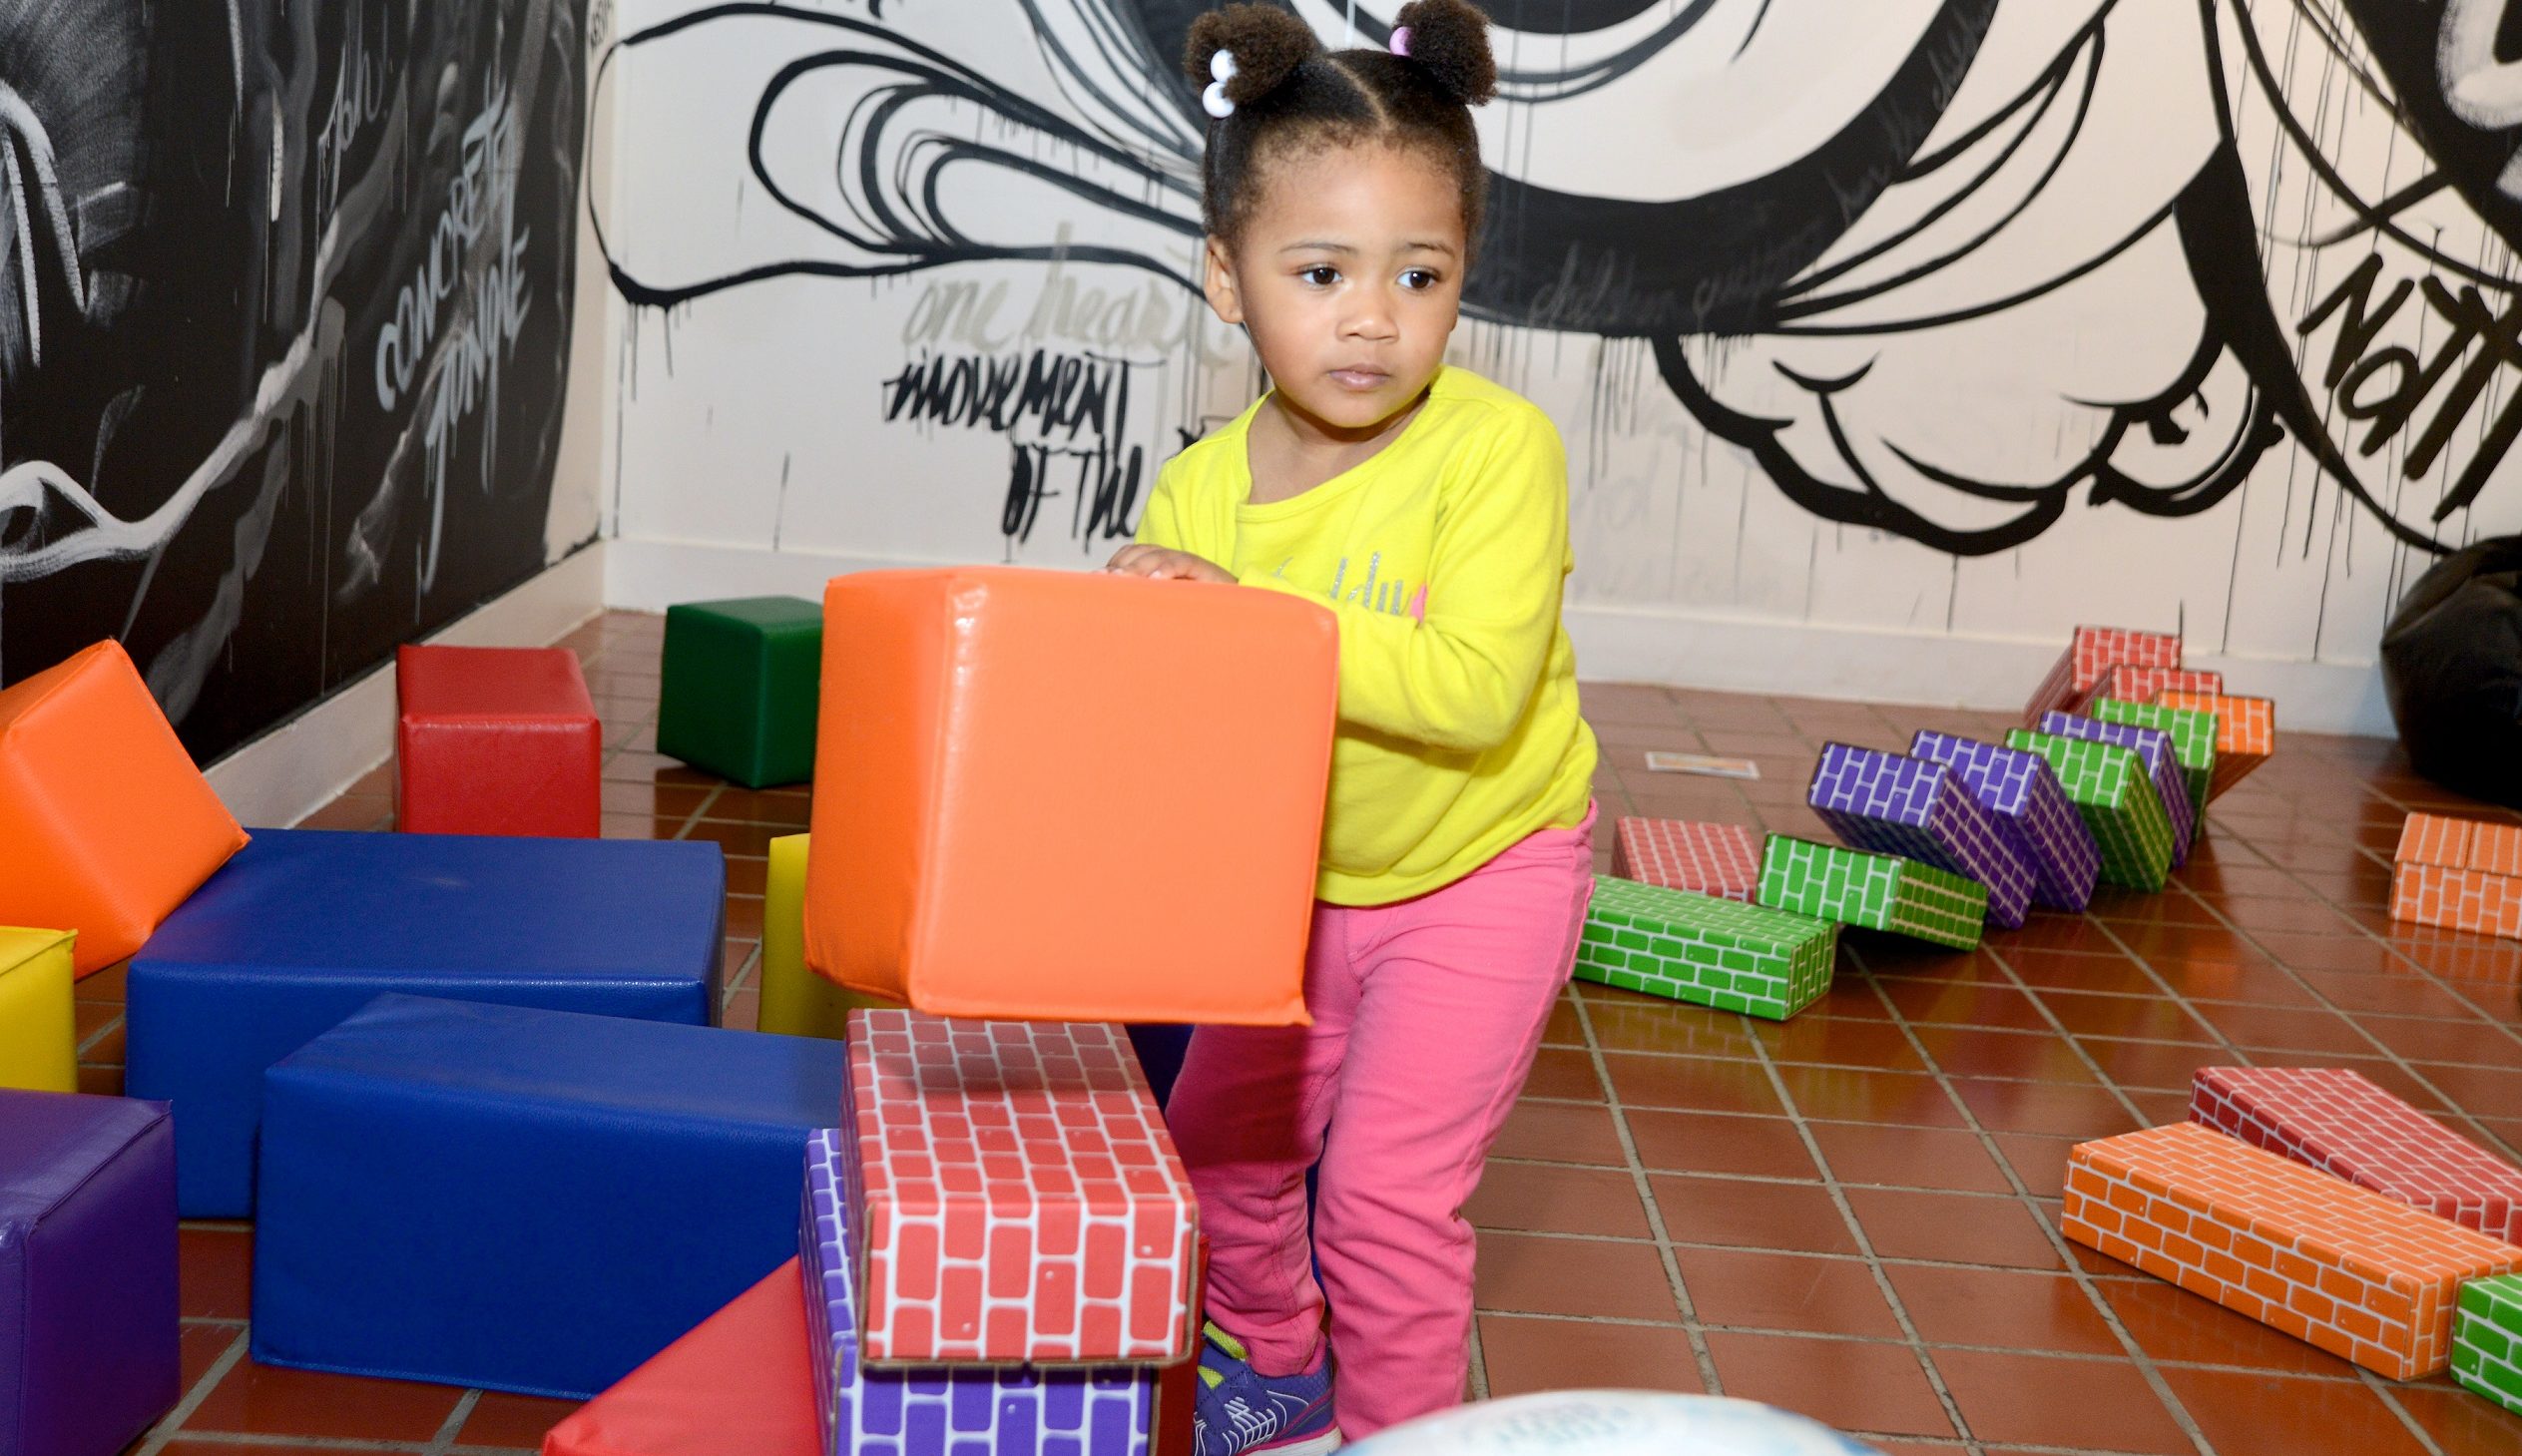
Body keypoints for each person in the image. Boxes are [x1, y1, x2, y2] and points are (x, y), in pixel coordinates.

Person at [1104, 4, 1600, 1449]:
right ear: (1227, 278)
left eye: (1421, 274)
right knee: (1223, 1157)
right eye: (1321, 272)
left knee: (1384, 1193)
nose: (1373, 316)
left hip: (1482, 868)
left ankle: (1399, 1437)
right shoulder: (1196, 501)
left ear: (1462, 282)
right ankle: (1275, 1360)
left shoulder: (1499, 452)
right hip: (1290, 887)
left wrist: (1243, 624)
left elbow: (1469, 690)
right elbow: (1171, 750)